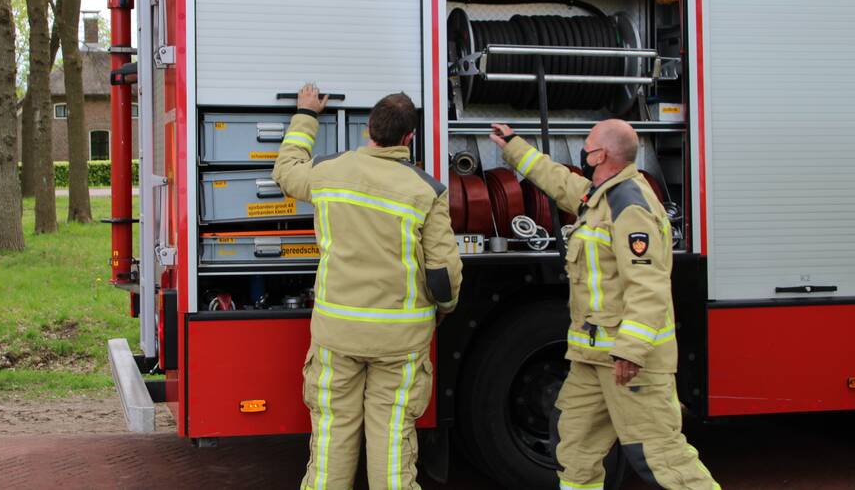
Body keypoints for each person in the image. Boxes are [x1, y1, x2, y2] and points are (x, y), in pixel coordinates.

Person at [489, 119, 719, 490]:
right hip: (594, 361)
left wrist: (631, 350)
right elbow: (559, 181)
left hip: (629, 364)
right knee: (573, 447)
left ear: (601, 155)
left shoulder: (630, 206)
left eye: (589, 142)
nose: (584, 147)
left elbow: (649, 285)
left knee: (662, 458)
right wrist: (514, 145)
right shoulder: (601, 196)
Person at [274, 84, 463, 490]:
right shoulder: (427, 191)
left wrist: (307, 114)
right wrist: (443, 307)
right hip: (400, 340)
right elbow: (442, 274)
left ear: (368, 131)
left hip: (337, 333)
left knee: (331, 439)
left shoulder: (329, 174)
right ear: (408, 138)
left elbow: (285, 172)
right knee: (393, 442)